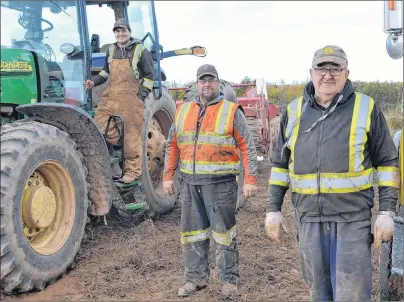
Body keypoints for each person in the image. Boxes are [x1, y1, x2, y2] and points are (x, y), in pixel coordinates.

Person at [265, 45, 399, 301]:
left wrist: (386, 213)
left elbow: (387, 163)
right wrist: (273, 209)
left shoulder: (366, 108)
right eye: (321, 68)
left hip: (351, 221)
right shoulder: (293, 112)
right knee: (318, 291)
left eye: (335, 68)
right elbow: (280, 166)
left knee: (352, 293)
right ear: (311, 72)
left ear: (346, 72)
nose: (328, 75)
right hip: (308, 220)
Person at [163, 64, 258, 298]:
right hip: (189, 183)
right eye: (202, 81)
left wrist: (251, 178)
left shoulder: (230, 111)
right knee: (192, 233)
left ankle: (229, 281)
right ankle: (195, 278)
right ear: (197, 84)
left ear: (218, 83)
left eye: (211, 81)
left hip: (221, 184)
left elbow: (247, 145)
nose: (207, 85)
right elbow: (173, 144)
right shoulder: (183, 110)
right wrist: (167, 176)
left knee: (224, 234)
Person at [84, 18, 156, 184]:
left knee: (132, 138)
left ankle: (132, 172)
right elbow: (105, 72)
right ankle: (120, 142)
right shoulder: (111, 49)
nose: (120, 34)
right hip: (111, 96)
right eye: (117, 31)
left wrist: (139, 96)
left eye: (123, 30)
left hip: (131, 99)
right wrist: (93, 82)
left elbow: (150, 77)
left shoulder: (140, 50)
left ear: (129, 32)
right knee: (99, 124)